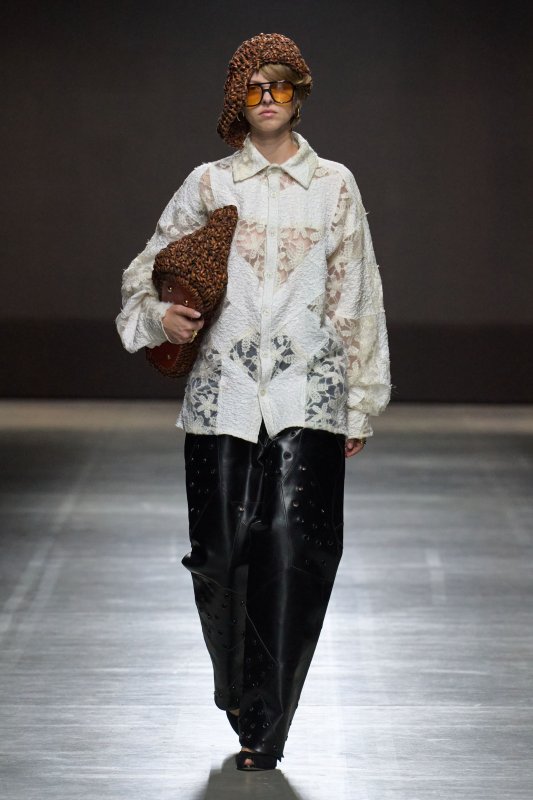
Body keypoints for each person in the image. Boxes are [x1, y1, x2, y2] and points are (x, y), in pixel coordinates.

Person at [116, 32, 391, 771]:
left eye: (280, 86)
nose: (268, 99)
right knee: (219, 554)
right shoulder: (209, 185)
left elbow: (357, 294)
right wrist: (161, 318)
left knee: (297, 555)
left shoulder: (334, 184)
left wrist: (359, 402)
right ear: (238, 100)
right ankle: (240, 691)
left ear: (299, 95)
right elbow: (145, 273)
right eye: (254, 88)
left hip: (309, 391)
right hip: (223, 395)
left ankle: (267, 725)